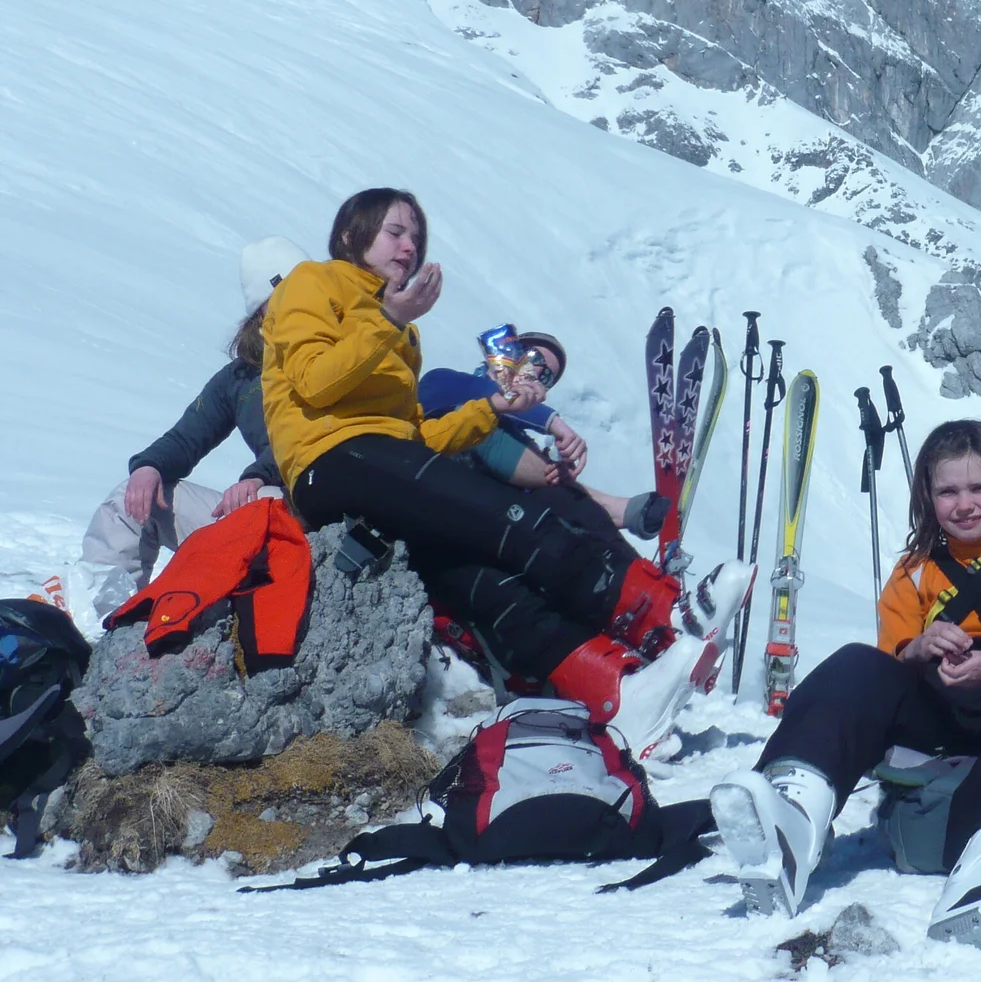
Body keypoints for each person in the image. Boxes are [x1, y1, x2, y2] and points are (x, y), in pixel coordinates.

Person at [260, 188, 748, 755]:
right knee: (514, 519)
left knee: (486, 581)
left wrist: (491, 408)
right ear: (351, 234)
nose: (410, 246)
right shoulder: (314, 284)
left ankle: (618, 694)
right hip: (332, 460)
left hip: (383, 466)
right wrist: (388, 318)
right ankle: (661, 617)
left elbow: (415, 435)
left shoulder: (399, 327)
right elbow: (314, 380)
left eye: (416, 236)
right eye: (395, 231)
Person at [708, 420, 981, 945]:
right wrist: (916, 650)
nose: (965, 504)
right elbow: (887, 664)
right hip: (936, 713)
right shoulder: (914, 570)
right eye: (948, 491)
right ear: (927, 498)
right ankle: (795, 812)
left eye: (980, 487)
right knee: (855, 664)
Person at [80, 237, 307, 617]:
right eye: (286, 294)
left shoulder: (332, 358)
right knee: (130, 500)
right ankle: (110, 626)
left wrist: (258, 475)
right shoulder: (240, 379)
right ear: (261, 311)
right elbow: (187, 437)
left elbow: (315, 439)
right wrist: (150, 466)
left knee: (265, 500)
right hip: (250, 512)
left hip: (303, 508)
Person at [418, 332, 666, 535]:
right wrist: (554, 424)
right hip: (421, 479)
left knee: (552, 499)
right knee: (483, 423)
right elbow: (480, 392)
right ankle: (614, 509)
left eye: (547, 376)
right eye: (532, 357)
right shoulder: (443, 380)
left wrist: (556, 470)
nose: (537, 372)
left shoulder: (522, 442)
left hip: (482, 524)